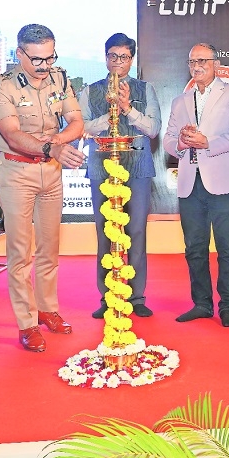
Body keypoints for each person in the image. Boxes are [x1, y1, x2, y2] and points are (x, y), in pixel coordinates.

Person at [0, 24, 86, 351]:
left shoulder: (60, 78)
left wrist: (55, 142)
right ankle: (27, 323)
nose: (45, 67)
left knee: (49, 247)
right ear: (20, 54)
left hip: (51, 172)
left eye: (50, 58)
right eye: (37, 60)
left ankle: (48, 308)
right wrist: (51, 149)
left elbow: (76, 121)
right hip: (16, 172)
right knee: (20, 252)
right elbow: (13, 135)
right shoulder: (0, 87)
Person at [162, 43, 229, 327]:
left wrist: (207, 143)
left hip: (224, 182)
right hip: (190, 183)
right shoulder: (181, 100)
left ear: (216, 64)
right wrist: (181, 142)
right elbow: (168, 141)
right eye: (191, 62)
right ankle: (201, 303)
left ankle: (227, 305)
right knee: (195, 248)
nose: (196, 66)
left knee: (227, 246)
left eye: (202, 60)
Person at [78, 33, 160, 319]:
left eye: (124, 57)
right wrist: (110, 113)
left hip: (137, 166)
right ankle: (107, 296)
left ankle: (136, 297)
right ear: (105, 57)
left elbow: (153, 129)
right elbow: (82, 127)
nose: (118, 62)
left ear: (131, 60)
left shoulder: (145, 89)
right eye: (113, 56)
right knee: (105, 233)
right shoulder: (90, 90)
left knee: (136, 231)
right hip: (102, 166)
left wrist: (127, 109)